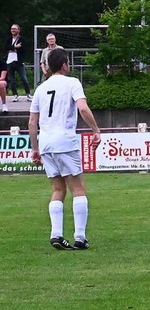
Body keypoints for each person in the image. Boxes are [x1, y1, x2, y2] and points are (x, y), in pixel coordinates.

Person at [28, 48, 101, 250]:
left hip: (46, 144)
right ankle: (80, 237)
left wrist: (35, 149)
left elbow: (32, 122)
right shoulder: (72, 83)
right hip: (65, 142)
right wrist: (95, 130)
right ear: (64, 65)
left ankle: (56, 235)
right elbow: (83, 108)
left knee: (58, 189)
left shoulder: (41, 88)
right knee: (78, 189)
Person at [4, 24, 32, 102]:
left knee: (24, 78)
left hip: (19, 62)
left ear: (18, 30)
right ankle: (15, 95)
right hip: (9, 61)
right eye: (12, 28)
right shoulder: (8, 39)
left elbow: (24, 49)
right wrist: (15, 47)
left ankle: (28, 94)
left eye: (15, 29)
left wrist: (11, 48)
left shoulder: (22, 39)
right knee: (11, 80)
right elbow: (5, 48)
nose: (13, 30)